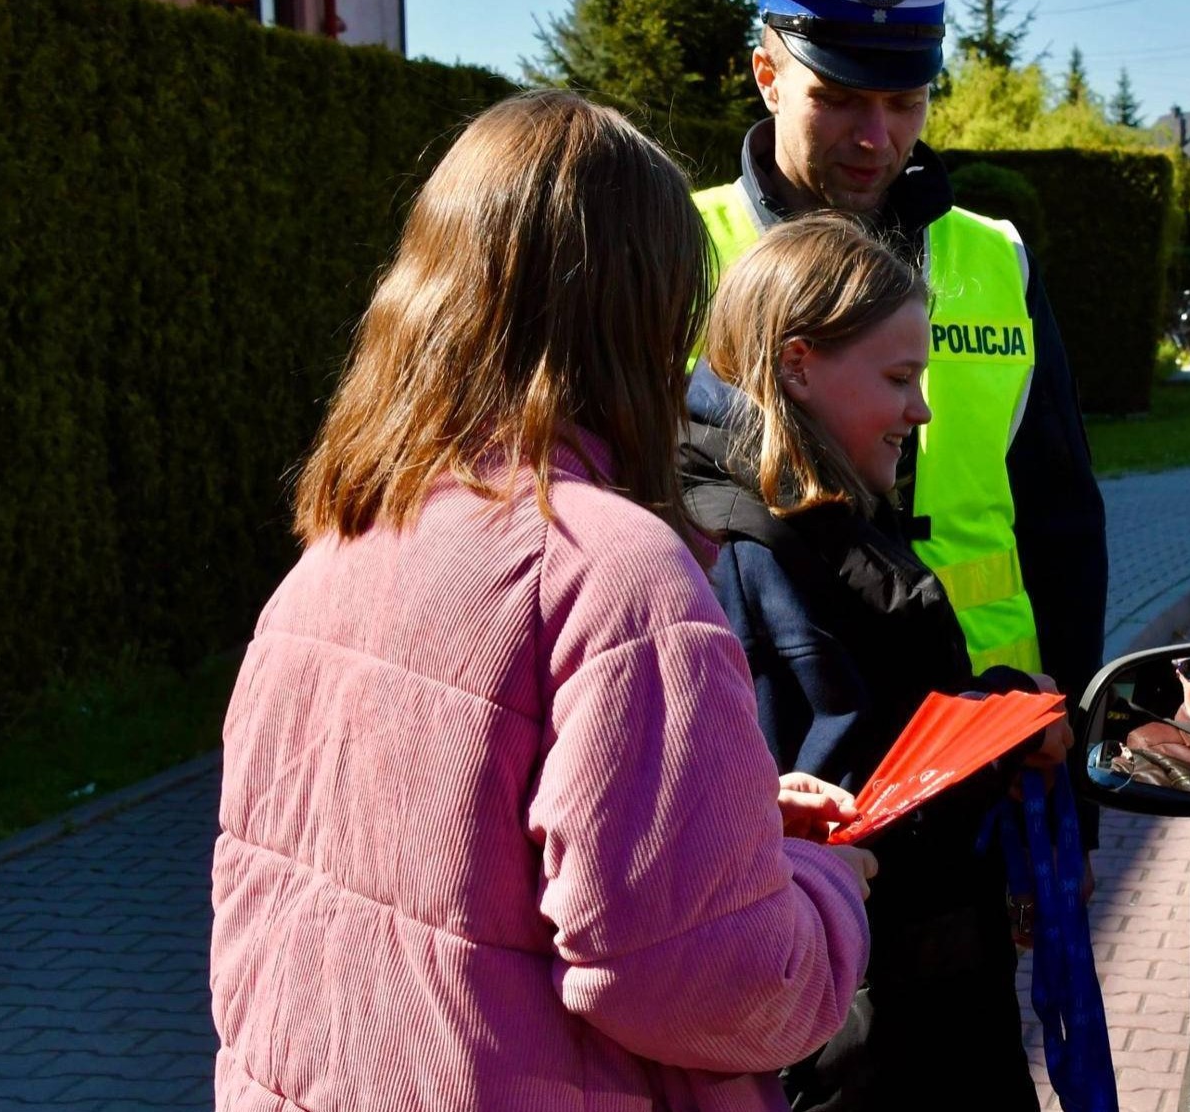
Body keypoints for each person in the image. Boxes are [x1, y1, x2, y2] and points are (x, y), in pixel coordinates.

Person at [210, 91, 875, 1112]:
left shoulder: (332, 550)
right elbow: (704, 979)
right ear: (647, 312)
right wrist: (825, 896)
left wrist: (725, 823)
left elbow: (430, 852)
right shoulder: (613, 570)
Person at [679, 212, 1068, 1110]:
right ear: (799, 362)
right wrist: (999, 730)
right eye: (901, 378)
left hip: (882, 1017)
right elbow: (847, 797)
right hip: (862, 1040)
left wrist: (996, 711)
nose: (922, 411)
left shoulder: (803, 503)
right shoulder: (756, 550)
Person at [694, 0, 1109, 740]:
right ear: (768, 77)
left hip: (992, 736)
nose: (875, 137)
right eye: (841, 98)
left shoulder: (999, 258)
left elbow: (1062, 525)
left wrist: (1075, 771)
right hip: (764, 738)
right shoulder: (681, 244)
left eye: (905, 101)